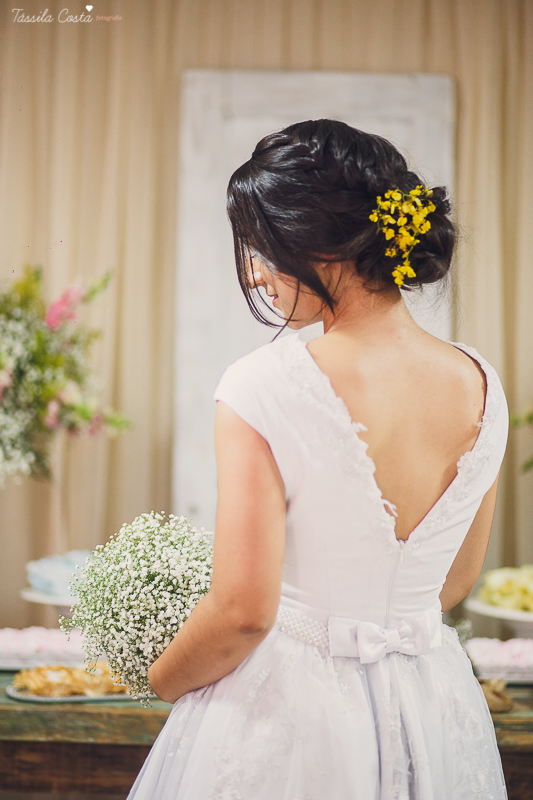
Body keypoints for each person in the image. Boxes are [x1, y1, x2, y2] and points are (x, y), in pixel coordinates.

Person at [128, 120, 508, 799]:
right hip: (432, 704)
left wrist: (161, 677)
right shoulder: (480, 383)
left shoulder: (262, 385)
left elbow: (243, 610)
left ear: (320, 245)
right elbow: (453, 582)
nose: (252, 270)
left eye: (260, 246)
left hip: (292, 720)